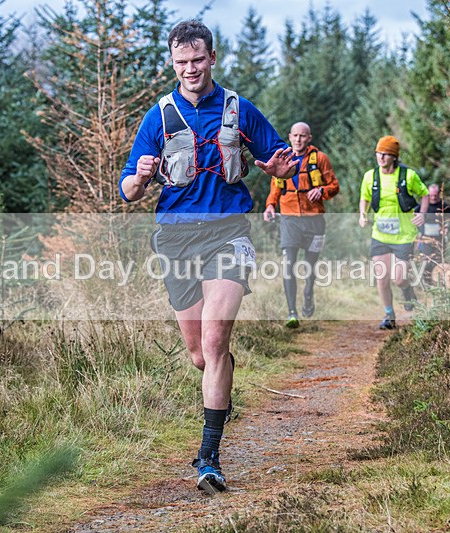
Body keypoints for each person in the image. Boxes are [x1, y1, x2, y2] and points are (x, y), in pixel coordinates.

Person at [120, 20, 298, 495]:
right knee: (200, 355)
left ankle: (209, 457)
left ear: (212, 58)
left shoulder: (238, 108)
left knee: (215, 341)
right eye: (181, 63)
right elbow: (129, 190)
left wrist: (283, 168)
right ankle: (221, 377)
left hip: (228, 233)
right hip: (175, 240)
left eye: (198, 60)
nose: (190, 70)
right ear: (172, 63)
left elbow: (282, 156)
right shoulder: (158, 116)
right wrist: (139, 177)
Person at [263, 122, 339, 328]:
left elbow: (334, 186)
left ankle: (308, 293)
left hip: (315, 219)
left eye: (302, 136)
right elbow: (275, 188)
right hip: (289, 219)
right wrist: (270, 206)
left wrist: (322, 191)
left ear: (309, 138)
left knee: (310, 266)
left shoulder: (320, 159)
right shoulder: (282, 158)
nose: (298, 139)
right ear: (289, 137)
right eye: (295, 135)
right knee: (288, 265)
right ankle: (292, 312)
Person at [358, 135, 429, 330]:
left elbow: (424, 195)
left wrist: (421, 215)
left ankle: (407, 292)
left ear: (394, 157)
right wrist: (363, 214)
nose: (381, 157)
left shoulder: (408, 176)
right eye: (379, 153)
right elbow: (364, 197)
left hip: (404, 235)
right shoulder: (370, 177)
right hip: (380, 235)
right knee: (382, 277)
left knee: (399, 278)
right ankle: (389, 315)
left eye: (386, 154)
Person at [415, 184, 450, 286]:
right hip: (425, 239)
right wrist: (419, 233)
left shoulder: (444, 206)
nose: (433, 198)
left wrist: (446, 228)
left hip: (439, 239)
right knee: (426, 261)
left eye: (435, 195)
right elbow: (413, 221)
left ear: (439, 195)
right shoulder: (422, 207)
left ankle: (439, 284)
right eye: (431, 195)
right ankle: (426, 284)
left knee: (438, 261)